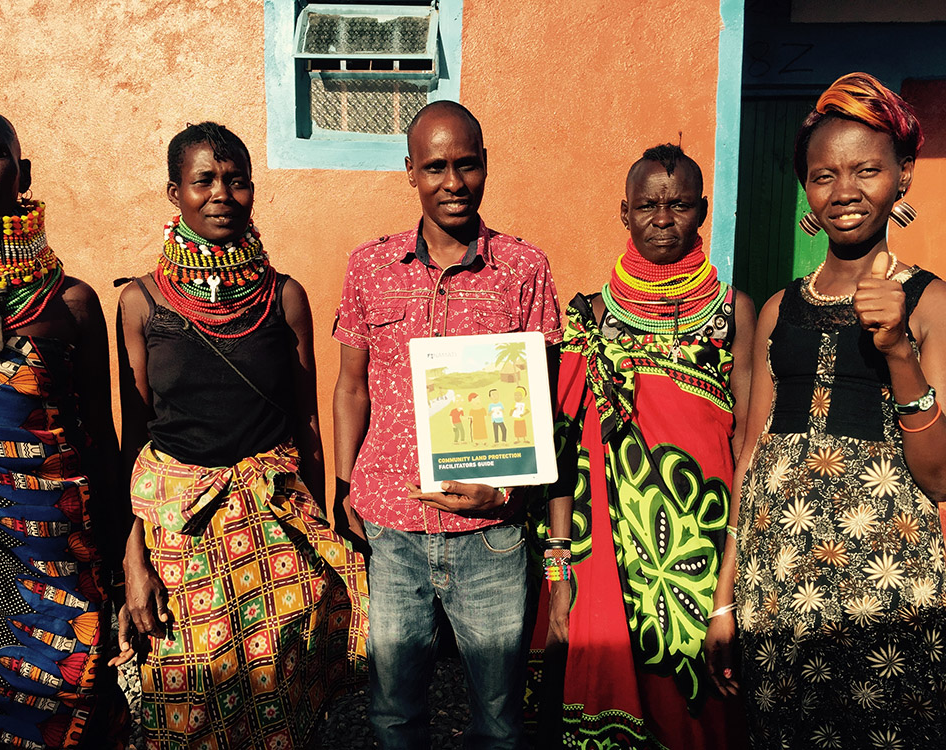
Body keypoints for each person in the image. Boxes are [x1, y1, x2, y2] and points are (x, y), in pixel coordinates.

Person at [707, 72, 946, 747]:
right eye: (825, 175)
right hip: (776, 584)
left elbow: (940, 477)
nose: (845, 191)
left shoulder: (930, 302)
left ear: (902, 177)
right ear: (806, 187)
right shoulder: (779, 309)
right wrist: (726, 597)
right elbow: (750, 457)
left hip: (884, 593)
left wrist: (898, 350)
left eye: (867, 170)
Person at [115, 122, 367, 749]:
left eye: (237, 180)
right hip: (180, 535)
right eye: (204, 180)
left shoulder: (284, 298)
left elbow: (307, 424)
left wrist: (322, 526)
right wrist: (131, 560)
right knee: (184, 696)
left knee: (282, 695)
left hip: (273, 533)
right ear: (175, 193)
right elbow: (133, 441)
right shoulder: (143, 303)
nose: (222, 194)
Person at [332, 100, 561, 749]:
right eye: (436, 167)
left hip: (490, 530)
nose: (453, 182)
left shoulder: (524, 268)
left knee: (497, 719)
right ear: (411, 171)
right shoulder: (368, 267)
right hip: (393, 529)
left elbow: (538, 401)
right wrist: (346, 484)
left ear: (485, 166)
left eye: (466, 165)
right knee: (395, 713)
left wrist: (510, 489)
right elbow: (350, 387)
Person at [529, 144, 755, 749]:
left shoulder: (735, 312)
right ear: (623, 212)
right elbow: (562, 451)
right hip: (605, 553)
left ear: (702, 210)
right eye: (648, 205)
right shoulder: (589, 315)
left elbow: (750, 439)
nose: (663, 218)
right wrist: (559, 569)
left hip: (703, 548)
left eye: (679, 204)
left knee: (699, 707)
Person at [0, 91, 128, 748]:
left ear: (23, 172)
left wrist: (123, 560)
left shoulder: (70, 303)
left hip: (63, 570)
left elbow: (100, 441)